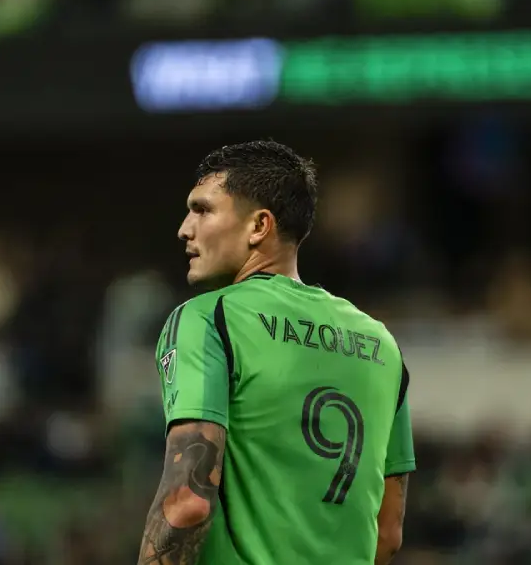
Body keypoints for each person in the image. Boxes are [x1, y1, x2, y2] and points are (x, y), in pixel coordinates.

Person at [136, 141, 415, 565]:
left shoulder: (208, 319)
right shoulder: (383, 345)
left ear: (259, 226)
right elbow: (388, 532)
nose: (184, 228)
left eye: (203, 210)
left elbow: (186, 502)